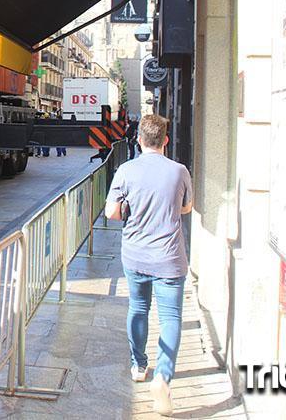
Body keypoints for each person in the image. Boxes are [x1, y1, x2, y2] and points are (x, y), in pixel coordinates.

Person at [104, 114, 192, 416]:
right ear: (165, 140)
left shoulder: (126, 170)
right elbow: (186, 207)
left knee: (138, 308)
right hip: (169, 258)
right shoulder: (179, 171)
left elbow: (112, 213)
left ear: (139, 139)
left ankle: (139, 365)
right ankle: (163, 377)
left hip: (135, 255)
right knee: (170, 318)